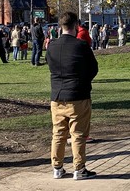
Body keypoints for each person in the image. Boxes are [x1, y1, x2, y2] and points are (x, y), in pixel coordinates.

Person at [46, 11, 98, 180]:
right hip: (78, 95)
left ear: (60, 26)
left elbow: (50, 66)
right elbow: (93, 69)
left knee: (58, 133)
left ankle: (57, 167)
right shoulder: (81, 46)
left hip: (57, 96)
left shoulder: (52, 46)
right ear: (76, 25)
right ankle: (79, 168)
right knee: (78, 134)